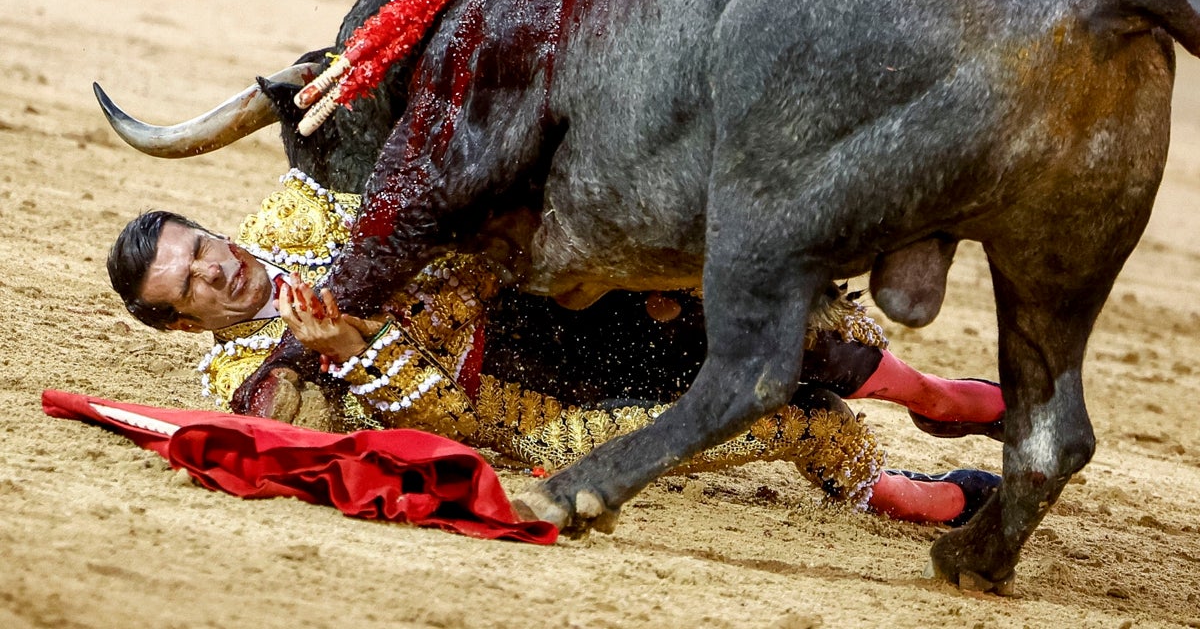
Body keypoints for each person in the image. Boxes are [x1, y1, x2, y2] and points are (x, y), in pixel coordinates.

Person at [108, 169, 1006, 525]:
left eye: (200, 248)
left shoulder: (296, 207)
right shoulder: (249, 381)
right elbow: (439, 421)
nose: (214, 272)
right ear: (184, 321)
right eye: (186, 286)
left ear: (211, 229)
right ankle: (888, 491)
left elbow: (412, 169)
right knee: (776, 414)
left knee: (785, 321)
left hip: (554, 298)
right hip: (549, 414)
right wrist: (343, 349)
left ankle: (929, 395)